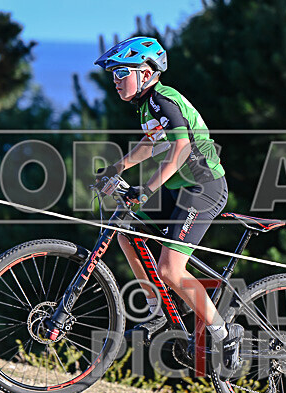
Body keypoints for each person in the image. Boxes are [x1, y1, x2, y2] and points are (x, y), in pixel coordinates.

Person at [93, 36, 242, 375]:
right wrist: (116, 168)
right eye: (113, 75)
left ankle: (225, 332)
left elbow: (180, 150)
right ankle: (157, 310)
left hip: (203, 188)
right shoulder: (148, 104)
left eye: (121, 73)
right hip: (180, 189)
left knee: (170, 270)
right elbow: (151, 143)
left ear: (146, 73)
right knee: (126, 233)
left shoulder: (163, 100)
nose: (115, 81)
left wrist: (145, 190)